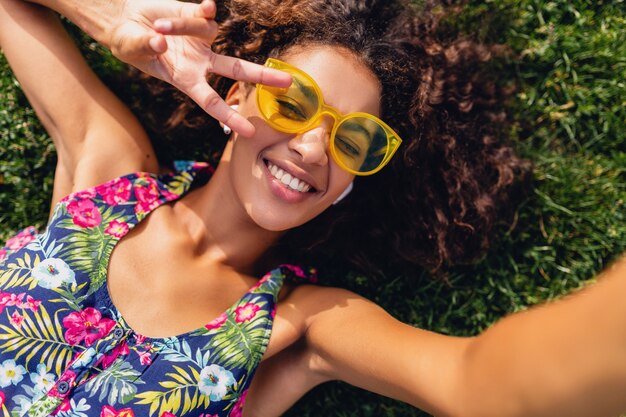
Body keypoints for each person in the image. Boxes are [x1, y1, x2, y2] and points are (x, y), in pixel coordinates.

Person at [0, 0, 625, 416]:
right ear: (238, 88)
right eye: (293, 103)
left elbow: (474, 382)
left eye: (353, 138)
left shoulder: (302, 324)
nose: (311, 147)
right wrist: (115, 23)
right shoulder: (108, 175)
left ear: (360, 174)